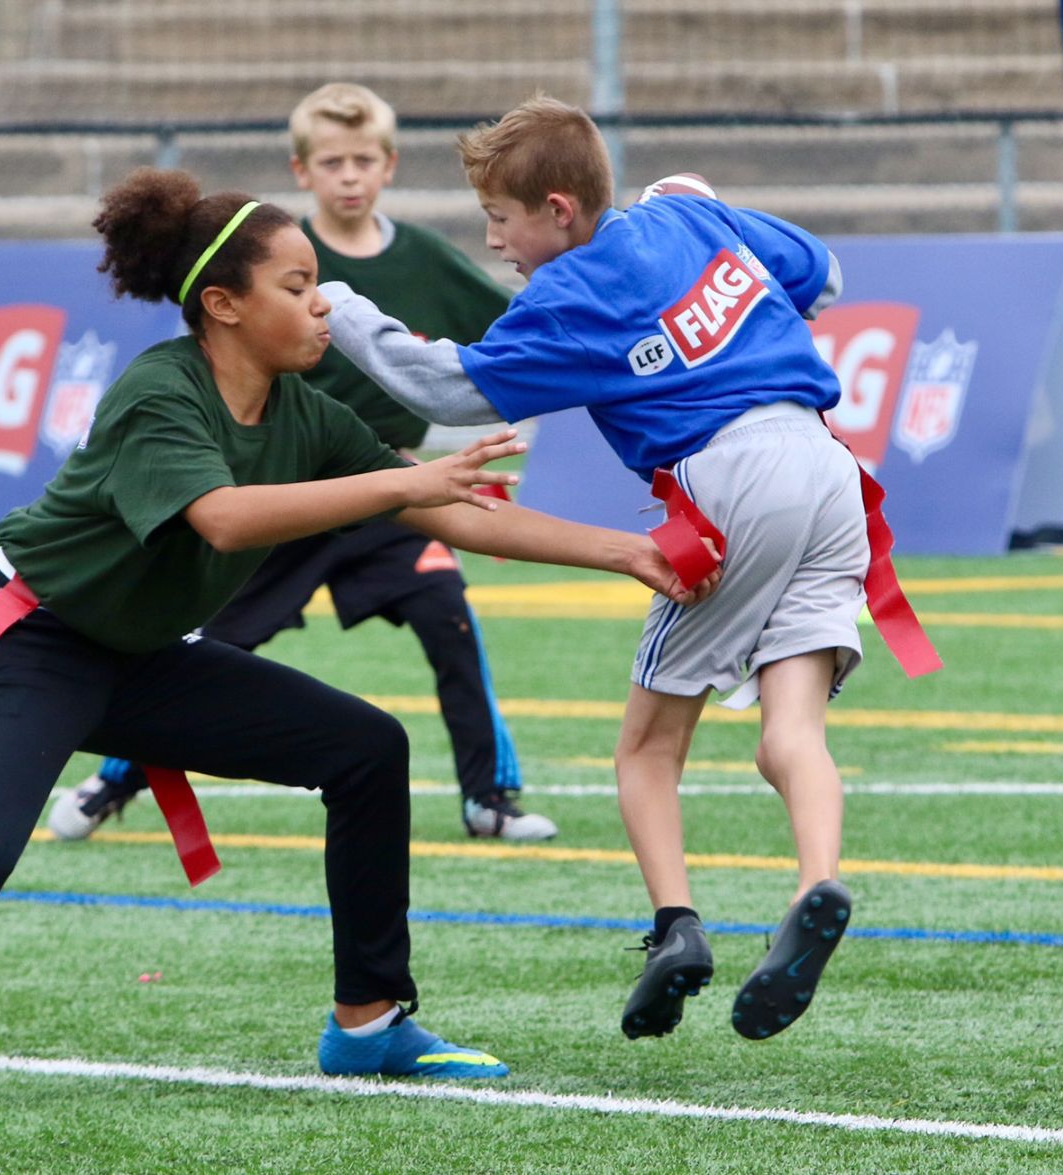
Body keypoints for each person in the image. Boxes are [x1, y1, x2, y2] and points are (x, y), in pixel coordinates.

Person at [0, 167, 715, 1117]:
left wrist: (627, 551)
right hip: (28, 638)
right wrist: (407, 478)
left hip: (136, 653)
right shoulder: (160, 389)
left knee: (364, 748)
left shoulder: (301, 408)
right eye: (298, 283)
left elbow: (458, 515)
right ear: (223, 304)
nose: (321, 303)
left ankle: (368, 1022)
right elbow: (223, 518)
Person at [319, 96, 889, 1044]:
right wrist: (713, 250)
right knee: (791, 730)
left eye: (499, 218)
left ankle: (676, 927)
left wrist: (336, 302)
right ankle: (816, 879)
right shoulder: (682, 214)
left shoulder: (564, 297)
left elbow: (442, 390)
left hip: (728, 479)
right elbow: (822, 276)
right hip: (830, 470)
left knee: (645, 747)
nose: (493, 239)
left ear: (557, 209)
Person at [57, 82, 557, 845]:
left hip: (388, 482)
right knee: (213, 644)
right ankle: (113, 778)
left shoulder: (422, 256)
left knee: (447, 616)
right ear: (302, 172)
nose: (349, 175)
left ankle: (489, 796)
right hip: (282, 497)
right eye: (332, 161)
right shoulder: (271, 253)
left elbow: (505, 334)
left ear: (388, 166)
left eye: (363, 159)